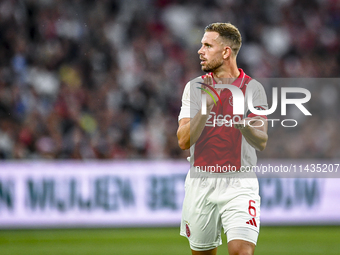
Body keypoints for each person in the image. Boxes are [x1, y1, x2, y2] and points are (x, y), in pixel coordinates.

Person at [177, 23, 269, 255]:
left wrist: (243, 125)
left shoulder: (253, 89)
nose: (201, 50)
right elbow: (183, 141)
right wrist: (205, 108)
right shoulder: (194, 88)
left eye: (208, 45)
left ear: (226, 52)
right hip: (201, 183)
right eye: (201, 45)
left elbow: (261, 140)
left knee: (241, 252)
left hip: (239, 182)